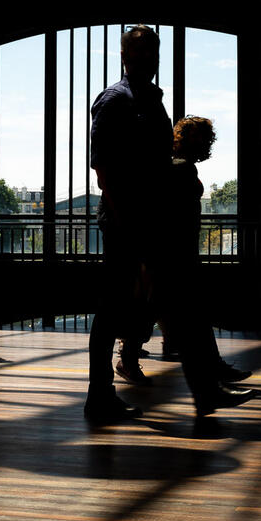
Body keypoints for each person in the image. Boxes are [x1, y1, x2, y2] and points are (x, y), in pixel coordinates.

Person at [85, 25, 172, 423]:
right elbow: (103, 168)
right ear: (124, 56)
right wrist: (125, 220)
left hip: (139, 218)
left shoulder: (142, 100)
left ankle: (101, 393)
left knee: (118, 305)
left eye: (150, 50)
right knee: (114, 307)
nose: (147, 57)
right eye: (140, 51)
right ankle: (100, 393)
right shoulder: (120, 100)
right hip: (130, 220)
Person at [157, 116, 255, 416]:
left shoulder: (174, 167)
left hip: (174, 257)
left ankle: (210, 390)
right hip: (177, 258)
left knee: (191, 327)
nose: (205, 145)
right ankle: (209, 391)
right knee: (192, 326)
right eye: (202, 140)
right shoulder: (181, 169)